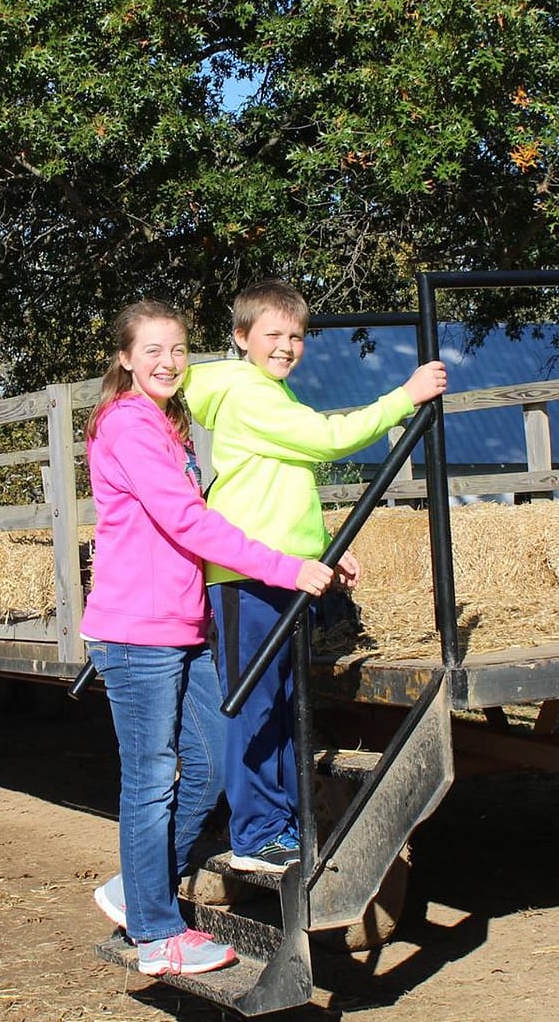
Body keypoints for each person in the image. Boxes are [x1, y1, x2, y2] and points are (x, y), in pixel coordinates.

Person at [81, 299, 335, 976]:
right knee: (151, 780)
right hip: (137, 632)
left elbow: (221, 507)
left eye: (178, 349)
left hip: (184, 623)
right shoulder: (129, 425)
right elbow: (189, 522)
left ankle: (131, 890)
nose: (167, 361)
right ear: (126, 357)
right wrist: (286, 568)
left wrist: (316, 547)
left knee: (217, 762)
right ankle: (157, 932)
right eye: (153, 350)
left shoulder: (171, 425)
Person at [185, 278, 447, 873]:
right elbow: (327, 441)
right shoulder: (252, 398)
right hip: (244, 575)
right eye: (272, 334)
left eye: (296, 336)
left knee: (279, 701)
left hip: (286, 572)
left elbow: (282, 494)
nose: (286, 345)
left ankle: (281, 824)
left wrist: (325, 548)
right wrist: (403, 395)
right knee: (253, 704)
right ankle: (256, 835)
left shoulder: (273, 395)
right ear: (241, 338)